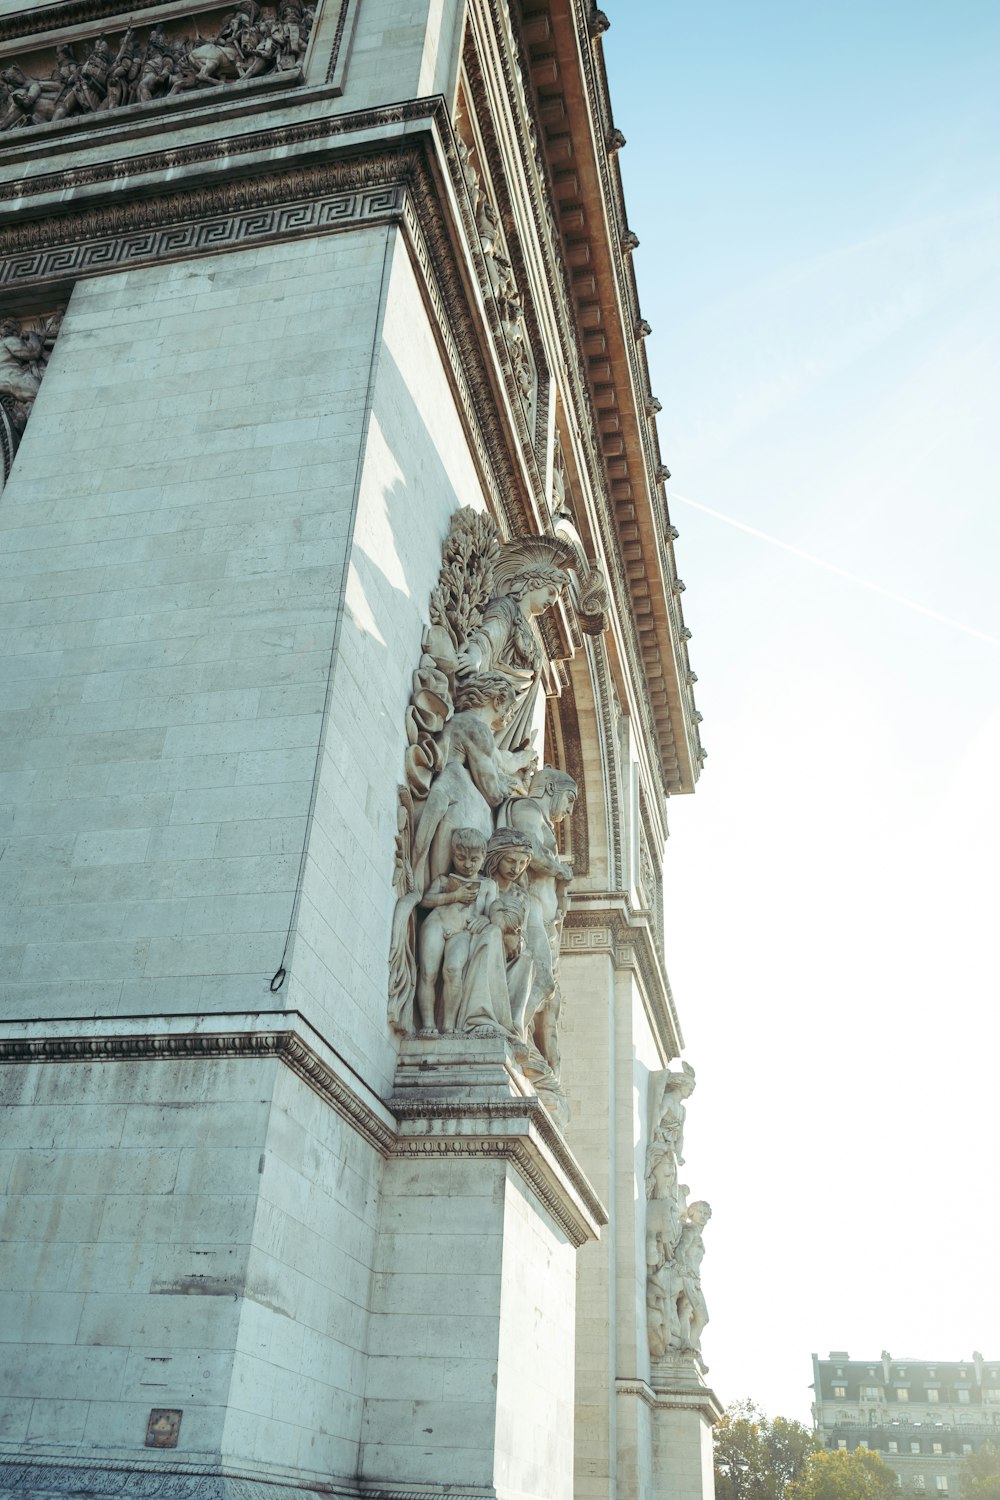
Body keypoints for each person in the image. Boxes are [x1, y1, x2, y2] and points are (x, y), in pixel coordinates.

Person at [415, 828, 493, 1035]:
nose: (467, 865)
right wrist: (454, 895)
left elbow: (493, 914)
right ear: (452, 855)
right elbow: (425, 900)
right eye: (461, 858)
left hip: (463, 932)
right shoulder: (443, 880)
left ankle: (449, 1026)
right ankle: (428, 1025)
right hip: (437, 924)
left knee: (452, 970)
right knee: (428, 973)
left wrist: (484, 919)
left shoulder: (488, 886)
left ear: (483, 858)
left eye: (474, 859)